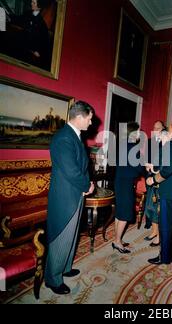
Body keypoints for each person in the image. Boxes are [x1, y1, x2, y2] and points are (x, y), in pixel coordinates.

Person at [45, 101, 95, 295]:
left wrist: (86, 184)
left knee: (71, 235)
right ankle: (53, 279)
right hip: (66, 196)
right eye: (89, 119)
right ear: (80, 117)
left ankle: (64, 268)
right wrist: (86, 185)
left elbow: (81, 166)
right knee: (61, 236)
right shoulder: (63, 138)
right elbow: (72, 171)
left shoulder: (74, 136)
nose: (91, 123)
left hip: (75, 193)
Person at [146, 121, 172, 265]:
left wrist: (154, 180)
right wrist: (156, 168)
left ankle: (164, 257)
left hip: (168, 191)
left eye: (168, 128)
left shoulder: (171, 145)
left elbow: (168, 171)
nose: (167, 130)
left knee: (165, 226)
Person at [112, 122, 144, 253]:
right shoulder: (133, 147)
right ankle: (117, 242)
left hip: (119, 181)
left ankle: (116, 239)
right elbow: (138, 168)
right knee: (125, 214)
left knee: (119, 212)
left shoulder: (122, 145)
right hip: (126, 184)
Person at [1, 0, 51, 69]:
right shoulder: (28, 13)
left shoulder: (41, 24)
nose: (31, 4)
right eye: (32, 2)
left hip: (29, 49)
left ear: (39, 7)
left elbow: (41, 41)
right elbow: (19, 19)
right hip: (22, 42)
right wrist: (8, 17)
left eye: (33, 3)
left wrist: (35, 50)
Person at [144, 120, 167, 246]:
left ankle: (158, 234)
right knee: (150, 205)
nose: (156, 130)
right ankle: (153, 230)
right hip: (150, 176)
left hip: (159, 178)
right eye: (154, 127)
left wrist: (153, 168)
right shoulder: (149, 141)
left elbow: (164, 168)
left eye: (158, 128)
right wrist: (148, 167)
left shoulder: (167, 147)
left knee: (157, 206)